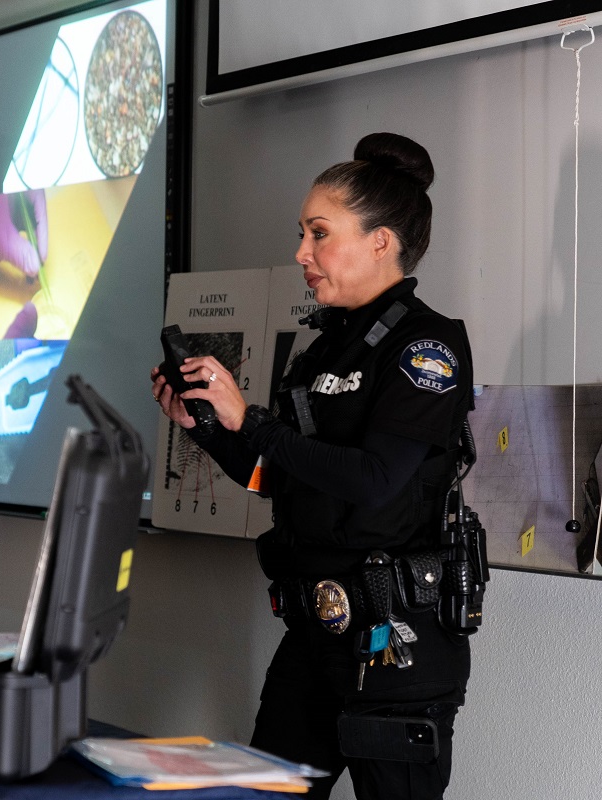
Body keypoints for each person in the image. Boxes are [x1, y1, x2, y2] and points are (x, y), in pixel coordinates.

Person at [151, 133, 475, 799]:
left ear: (380, 241)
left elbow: (376, 479)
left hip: (396, 647)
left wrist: (255, 421)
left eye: (319, 234)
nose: (302, 253)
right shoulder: (321, 353)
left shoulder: (426, 347)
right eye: (302, 234)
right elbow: (279, 476)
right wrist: (206, 426)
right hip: (312, 638)